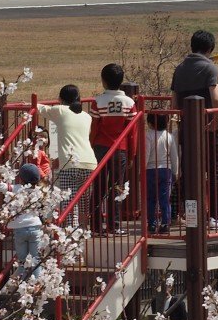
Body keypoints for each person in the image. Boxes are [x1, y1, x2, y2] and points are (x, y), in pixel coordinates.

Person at [171, 30, 218, 230]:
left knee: (188, 172)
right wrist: (216, 121)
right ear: (210, 49)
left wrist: (179, 123)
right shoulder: (210, 68)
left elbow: (174, 101)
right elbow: (216, 98)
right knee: (215, 171)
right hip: (206, 127)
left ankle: (180, 212)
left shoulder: (179, 69)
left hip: (186, 127)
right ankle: (216, 216)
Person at [37, 85, 97, 227]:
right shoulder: (87, 117)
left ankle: (70, 234)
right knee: (83, 201)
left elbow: (40, 109)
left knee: (69, 203)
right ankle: (82, 231)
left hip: (70, 165)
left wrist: (29, 104)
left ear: (60, 99)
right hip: (90, 163)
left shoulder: (60, 110)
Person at [90, 64, 136, 234]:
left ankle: (95, 226)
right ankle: (114, 225)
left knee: (99, 187)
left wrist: (91, 145)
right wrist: (132, 153)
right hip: (120, 149)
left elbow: (95, 128)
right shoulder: (130, 103)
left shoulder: (98, 102)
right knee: (117, 187)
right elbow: (132, 133)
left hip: (100, 148)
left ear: (103, 81)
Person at [7, 163, 45, 282]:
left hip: (20, 229)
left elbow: (4, 187)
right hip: (35, 227)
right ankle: (36, 282)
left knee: (22, 258)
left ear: (21, 178)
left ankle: (22, 277)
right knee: (36, 258)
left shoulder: (17, 189)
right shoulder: (39, 191)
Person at [145, 112, 179, 234]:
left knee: (151, 199)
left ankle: (152, 224)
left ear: (150, 123)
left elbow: (146, 154)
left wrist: (141, 170)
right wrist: (175, 171)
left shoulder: (148, 136)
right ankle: (165, 223)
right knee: (165, 199)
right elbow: (174, 156)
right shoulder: (169, 136)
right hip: (166, 170)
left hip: (150, 170)